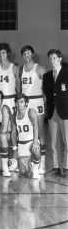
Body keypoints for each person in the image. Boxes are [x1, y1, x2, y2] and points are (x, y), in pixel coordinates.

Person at [18, 45, 46, 174]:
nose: (26, 56)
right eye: (24, 54)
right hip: (24, 102)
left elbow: (47, 89)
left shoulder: (40, 69)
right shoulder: (20, 70)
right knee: (24, 130)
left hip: (36, 101)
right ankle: (26, 158)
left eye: (28, 53)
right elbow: (19, 89)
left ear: (33, 54)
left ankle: (42, 164)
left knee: (40, 132)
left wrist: (42, 101)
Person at [43, 49, 68, 177]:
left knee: (67, 141)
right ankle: (57, 167)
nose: (52, 60)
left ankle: (67, 167)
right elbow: (47, 94)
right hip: (52, 112)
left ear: (60, 59)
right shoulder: (46, 76)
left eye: (54, 58)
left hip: (65, 112)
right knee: (54, 143)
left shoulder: (66, 73)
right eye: (50, 58)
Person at [11, 93, 41, 179]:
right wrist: (14, 149)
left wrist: (35, 142)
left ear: (26, 103)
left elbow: (36, 126)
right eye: (17, 102)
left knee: (36, 150)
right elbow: (13, 132)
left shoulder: (31, 112)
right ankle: (29, 164)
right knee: (23, 173)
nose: (19, 104)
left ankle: (35, 169)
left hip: (31, 141)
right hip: (21, 144)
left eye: (21, 102)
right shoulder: (14, 116)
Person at [0, 43, 20, 114]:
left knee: (12, 123)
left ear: (8, 53)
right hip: (0, 100)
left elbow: (18, 88)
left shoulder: (14, 68)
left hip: (12, 99)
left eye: (3, 52)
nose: (1, 55)